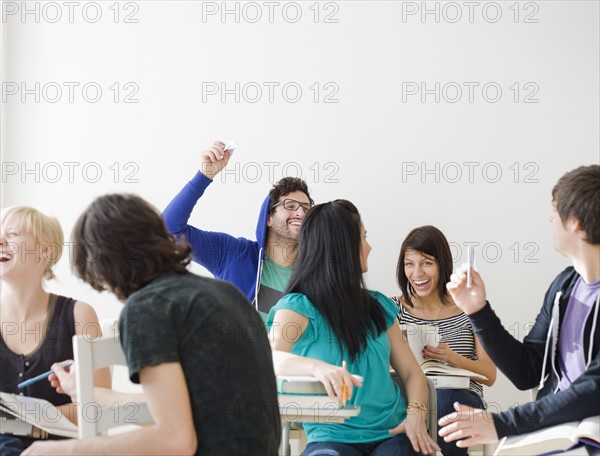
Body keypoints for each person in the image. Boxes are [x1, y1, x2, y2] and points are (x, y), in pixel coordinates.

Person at [24, 193, 281, 455]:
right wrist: (89, 395)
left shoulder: (148, 307)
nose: (111, 291)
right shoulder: (226, 295)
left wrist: (62, 451)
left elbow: (175, 440)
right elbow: (189, 412)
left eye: (101, 281)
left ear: (107, 265)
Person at [439, 165, 600, 454]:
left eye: (555, 210)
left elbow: (594, 390)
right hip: (558, 432)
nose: (550, 218)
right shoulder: (563, 287)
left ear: (575, 222)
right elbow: (527, 371)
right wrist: (477, 310)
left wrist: (502, 423)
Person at [268, 199, 440, 456]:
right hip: (330, 438)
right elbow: (269, 357)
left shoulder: (379, 308)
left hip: (391, 435)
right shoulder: (299, 307)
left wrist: (416, 415)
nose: (369, 247)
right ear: (343, 247)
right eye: (363, 238)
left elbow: (413, 374)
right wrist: (317, 368)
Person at [0, 206, 110, 455]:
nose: (0, 241)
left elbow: (100, 407)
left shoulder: (80, 315)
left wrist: (20, 419)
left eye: (13, 234)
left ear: (45, 251)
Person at [162, 141, 314, 317]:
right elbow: (169, 230)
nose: (301, 213)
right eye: (290, 205)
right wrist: (204, 176)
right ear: (269, 218)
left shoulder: (314, 273)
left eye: (306, 207)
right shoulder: (233, 254)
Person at [392, 225, 496, 455]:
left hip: (460, 400)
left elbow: (490, 375)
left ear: (442, 264)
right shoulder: (393, 309)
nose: (417, 273)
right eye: (410, 264)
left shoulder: (469, 305)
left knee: (446, 400)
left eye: (426, 263)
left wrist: (451, 358)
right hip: (412, 402)